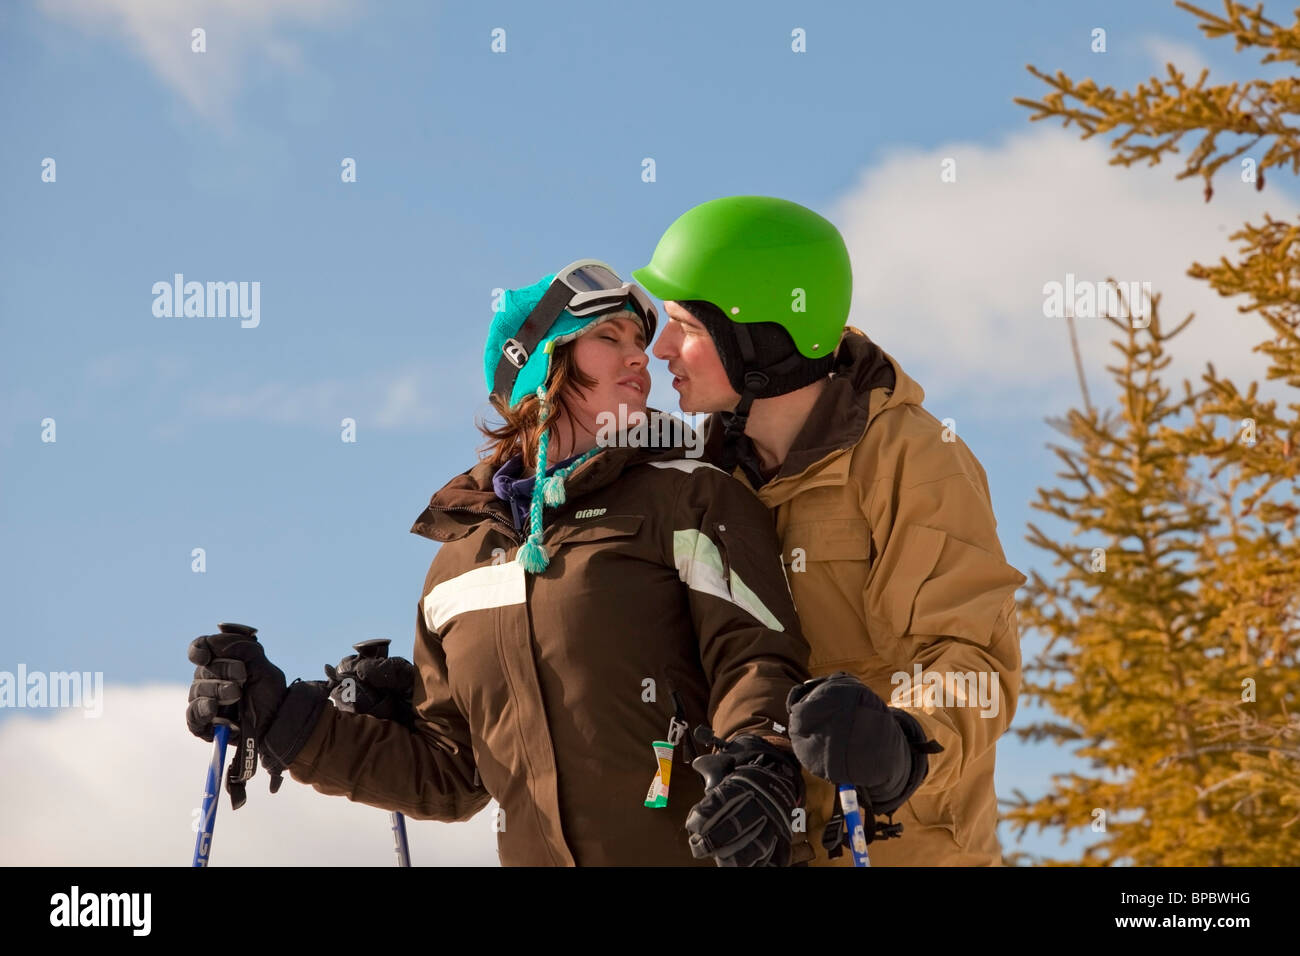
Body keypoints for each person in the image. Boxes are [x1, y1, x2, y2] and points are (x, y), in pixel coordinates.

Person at [186, 259, 813, 867]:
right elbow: (449, 770)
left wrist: (759, 761)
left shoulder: (690, 495)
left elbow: (754, 655)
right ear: (543, 365)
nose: (639, 357)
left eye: (638, 340)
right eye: (607, 335)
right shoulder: (457, 565)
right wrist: (285, 719)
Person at [632, 197, 1029, 866]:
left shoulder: (911, 458)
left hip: (902, 846)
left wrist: (902, 740)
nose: (661, 348)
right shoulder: (702, 481)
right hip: (763, 845)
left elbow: (975, 657)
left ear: (759, 337)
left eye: (684, 325)